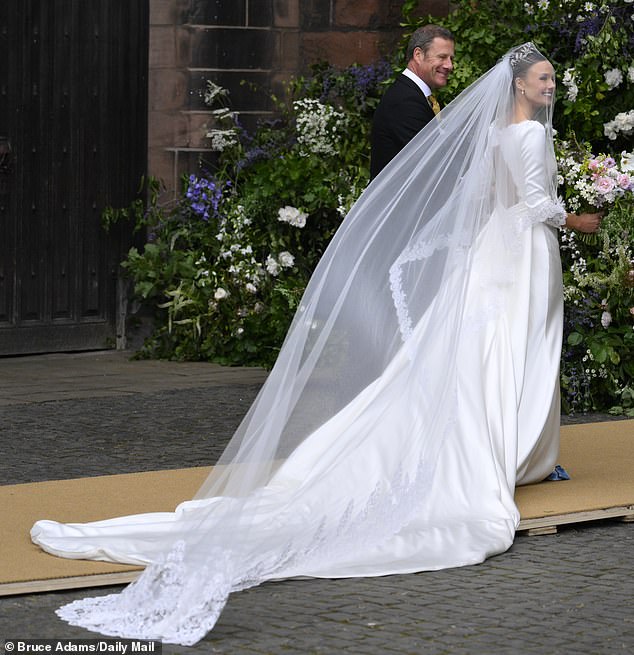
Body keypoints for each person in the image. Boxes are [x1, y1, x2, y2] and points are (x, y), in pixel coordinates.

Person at [31, 43, 602, 645]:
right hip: (523, 254)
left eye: (551, 79)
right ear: (518, 86)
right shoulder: (532, 137)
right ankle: (511, 451)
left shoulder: (492, 134)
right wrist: (581, 220)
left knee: (478, 353)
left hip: (494, 252)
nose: (550, 87)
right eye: (543, 79)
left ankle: (506, 446)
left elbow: (489, 200)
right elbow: (536, 205)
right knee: (514, 348)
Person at [370, 25, 455, 179]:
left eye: (451, 59)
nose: (450, 65)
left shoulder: (419, 96)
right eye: (442, 57)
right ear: (418, 55)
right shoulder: (404, 101)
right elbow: (432, 164)